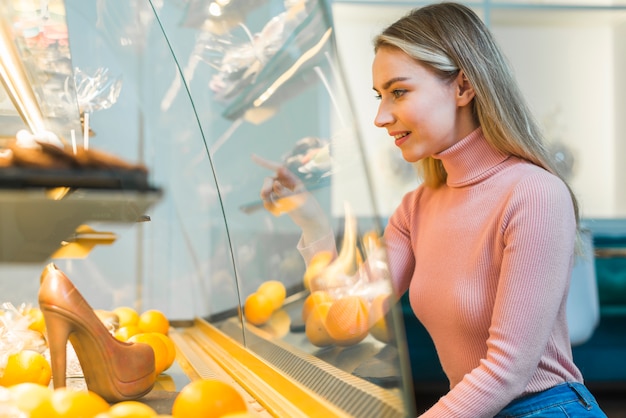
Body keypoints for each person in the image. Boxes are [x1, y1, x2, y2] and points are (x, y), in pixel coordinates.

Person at [259, 2, 607, 417]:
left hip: (546, 408)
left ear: (463, 87)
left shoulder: (534, 194)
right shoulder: (415, 209)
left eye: (398, 92)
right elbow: (344, 319)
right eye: (379, 96)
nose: (380, 117)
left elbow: (509, 368)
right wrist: (310, 219)